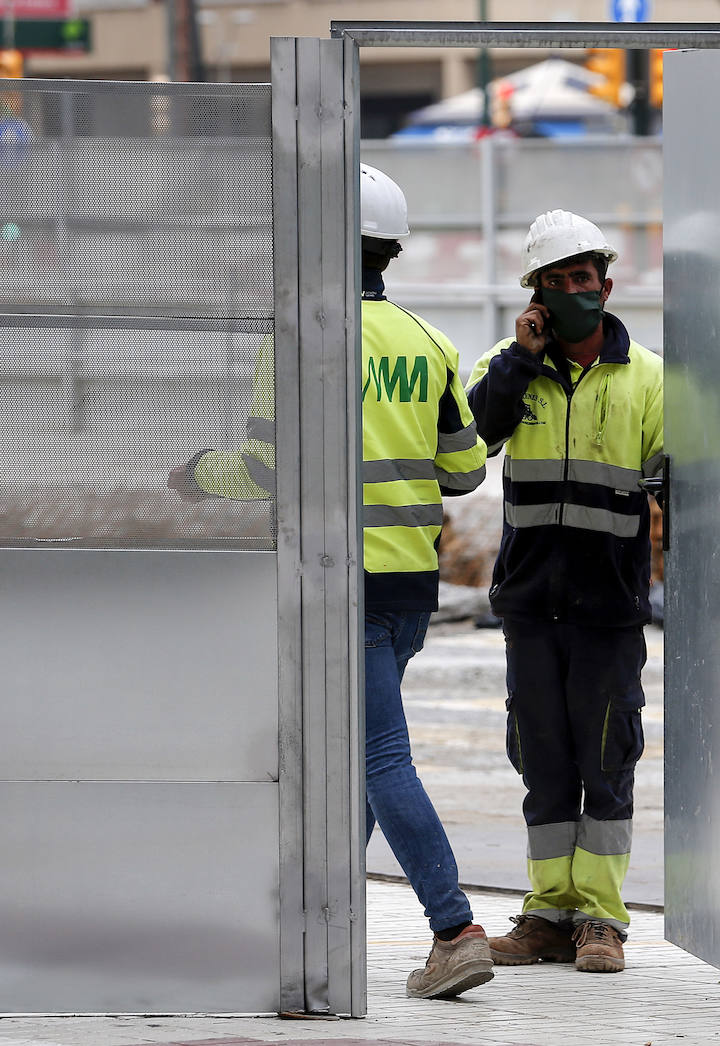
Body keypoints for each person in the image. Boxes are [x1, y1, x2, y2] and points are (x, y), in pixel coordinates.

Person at [168, 162, 494, 1000]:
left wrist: (199, 473)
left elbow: (265, 469)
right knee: (357, 760)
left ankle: (454, 929)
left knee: (379, 759)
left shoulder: (297, 339)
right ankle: (318, 924)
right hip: (408, 589)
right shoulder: (427, 344)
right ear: (389, 250)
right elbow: (462, 472)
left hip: (337, 587)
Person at [465, 209, 664, 975]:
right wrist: (521, 357)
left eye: (583, 278)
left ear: (606, 286)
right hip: (529, 605)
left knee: (605, 761)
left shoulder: (647, 375)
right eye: (557, 281)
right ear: (537, 298)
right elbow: (475, 439)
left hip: (607, 610)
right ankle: (549, 915)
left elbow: (677, 484)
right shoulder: (509, 363)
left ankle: (602, 922)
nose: (573, 290)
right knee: (542, 760)